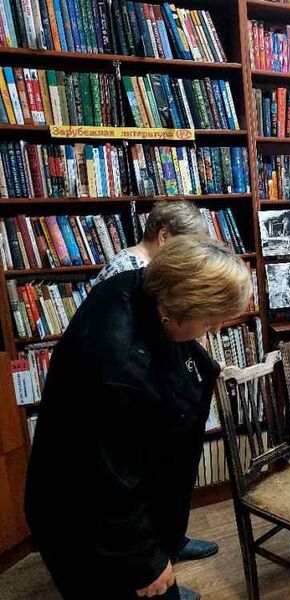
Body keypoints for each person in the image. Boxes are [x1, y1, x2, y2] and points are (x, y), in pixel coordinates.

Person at [25, 236, 253, 600]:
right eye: (211, 322)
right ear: (182, 308)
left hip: (124, 505)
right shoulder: (118, 365)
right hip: (91, 525)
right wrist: (144, 560)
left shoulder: (144, 285)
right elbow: (108, 482)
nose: (215, 331)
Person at [93, 200, 219, 564]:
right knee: (144, 484)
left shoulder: (157, 270)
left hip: (166, 388)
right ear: (165, 236)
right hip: (143, 398)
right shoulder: (127, 272)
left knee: (170, 483)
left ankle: (171, 542)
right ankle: (155, 561)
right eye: (189, 244)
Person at [94, 200, 208, 284]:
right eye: (188, 246)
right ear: (164, 237)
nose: (192, 254)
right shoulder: (135, 274)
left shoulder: (131, 261)